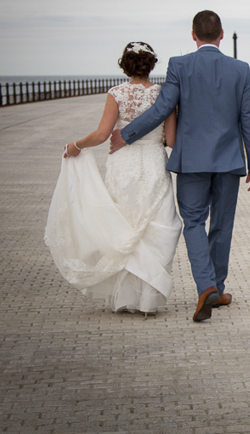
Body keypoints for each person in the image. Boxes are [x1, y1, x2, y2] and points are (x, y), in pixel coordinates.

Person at [110, 10, 250, 323]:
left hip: (191, 161)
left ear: (193, 36)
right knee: (222, 225)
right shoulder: (240, 69)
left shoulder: (179, 65)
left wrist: (126, 134)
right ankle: (216, 288)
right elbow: (247, 118)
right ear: (221, 35)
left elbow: (162, 108)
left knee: (193, 222)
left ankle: (207, 286)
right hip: (229, 161)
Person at [44, 42, 182, 315]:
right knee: (156, 227)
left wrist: (75, 146)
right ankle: (148, 300)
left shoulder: (116, 94)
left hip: (123, 166)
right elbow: (172, 140)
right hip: (154, 164)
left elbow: (101, 135)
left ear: (125, 65)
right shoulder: (164, 96)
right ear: (151, 65)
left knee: (124, 225)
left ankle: (126, 297)